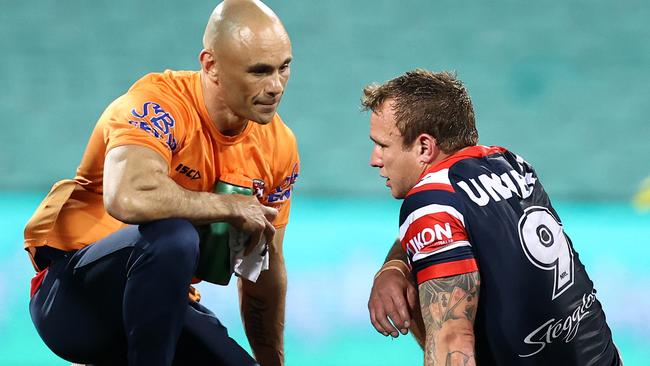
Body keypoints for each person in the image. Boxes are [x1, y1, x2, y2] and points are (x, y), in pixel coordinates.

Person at [23, 0, 298, 365]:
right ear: (211, 65)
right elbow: (129, 196)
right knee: (174, 235)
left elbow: (263, 271)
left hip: (161, 312)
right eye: (259, 72)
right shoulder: (157, 104)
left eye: (284, 68)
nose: (276, 86)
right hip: (72, 299)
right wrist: (229, 207)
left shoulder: (280, 148)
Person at [363, 69, 621, 365]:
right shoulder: (512, 164)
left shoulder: (428, 202)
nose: (374, 159)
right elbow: (454, 227)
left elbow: (452, 341)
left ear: (424, 147)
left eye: (382, 145)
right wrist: (394, 266)